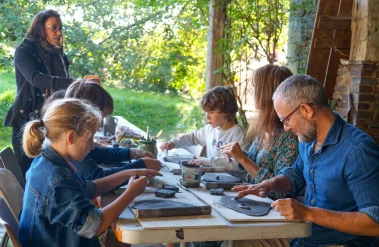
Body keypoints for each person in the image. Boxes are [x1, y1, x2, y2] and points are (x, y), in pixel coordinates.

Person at [232, 75, 379, 247]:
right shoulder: (307, 140)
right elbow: (295, 174)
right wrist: (268, 184)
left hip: (338, 243)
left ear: (306, 110)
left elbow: (374, 223)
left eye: (286, 120)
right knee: (240, 239)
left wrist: (308, 213)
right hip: (302, 235)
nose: (286, 128)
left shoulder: (358, 150)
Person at [19, 98, 162, 247]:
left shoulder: (45, 162)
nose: (93, 146)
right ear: (71, 137)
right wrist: (131, 193)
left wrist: (129, 173)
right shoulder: (59, 179)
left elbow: (91, 188)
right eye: (90, 139)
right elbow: (95, 226)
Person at [3, 9, 73, 177]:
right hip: (27, 120)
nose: (59, 32)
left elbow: (62, 85)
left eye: (60, 28)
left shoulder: (58, 53)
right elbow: (36, 79)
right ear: (41, 28)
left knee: (50, 172)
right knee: (28, 174)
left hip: (52, 117)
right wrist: (75, 82)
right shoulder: (23, 50)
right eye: (54, 28)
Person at [221, 65, 298, 200]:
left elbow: (282, 191)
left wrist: (243, 159)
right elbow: (253, 164)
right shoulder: (266, 128)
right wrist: (236, 154)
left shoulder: (290, 136)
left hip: (274, 212)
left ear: (268, 92)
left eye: (255, 87)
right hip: (254, 202)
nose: (251, 91)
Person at [63, 79, 161, 180]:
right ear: (87, 113)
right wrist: (139, 167)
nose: (101, 125)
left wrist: (131, 152)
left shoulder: (72, 133)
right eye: (102, 116)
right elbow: (97, 178)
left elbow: (97, 153)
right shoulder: (73, 142)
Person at [160, 86, 250, 174]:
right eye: (206, 112)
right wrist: (174, 143)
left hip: (234, 183)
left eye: (211, 112)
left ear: (226, 112)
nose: (207, 116)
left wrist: (206, 161)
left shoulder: (238, 134)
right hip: (213, 177)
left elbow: (240, 164)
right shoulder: (210, 129)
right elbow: (193, 137)